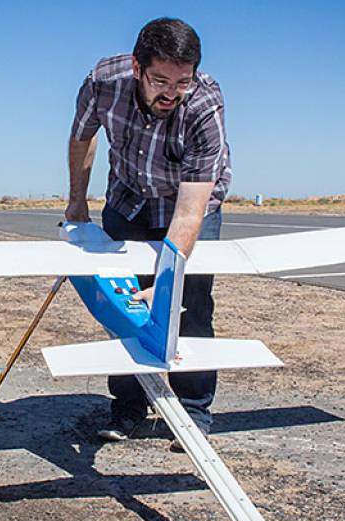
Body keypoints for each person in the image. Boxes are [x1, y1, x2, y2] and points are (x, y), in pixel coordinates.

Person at [64, 17, 231, 447]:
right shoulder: (103, 82)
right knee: (124, 302)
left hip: (187, 202)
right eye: (160, 80)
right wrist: (77, 200)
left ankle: (194, 413)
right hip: (128, 197)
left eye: (182, 82)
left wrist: (167, 280)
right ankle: (129, 409)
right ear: (137, 69)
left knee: (188, 302)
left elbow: (191, 209)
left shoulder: (204, 105)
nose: (171, 93)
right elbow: (82, 138)